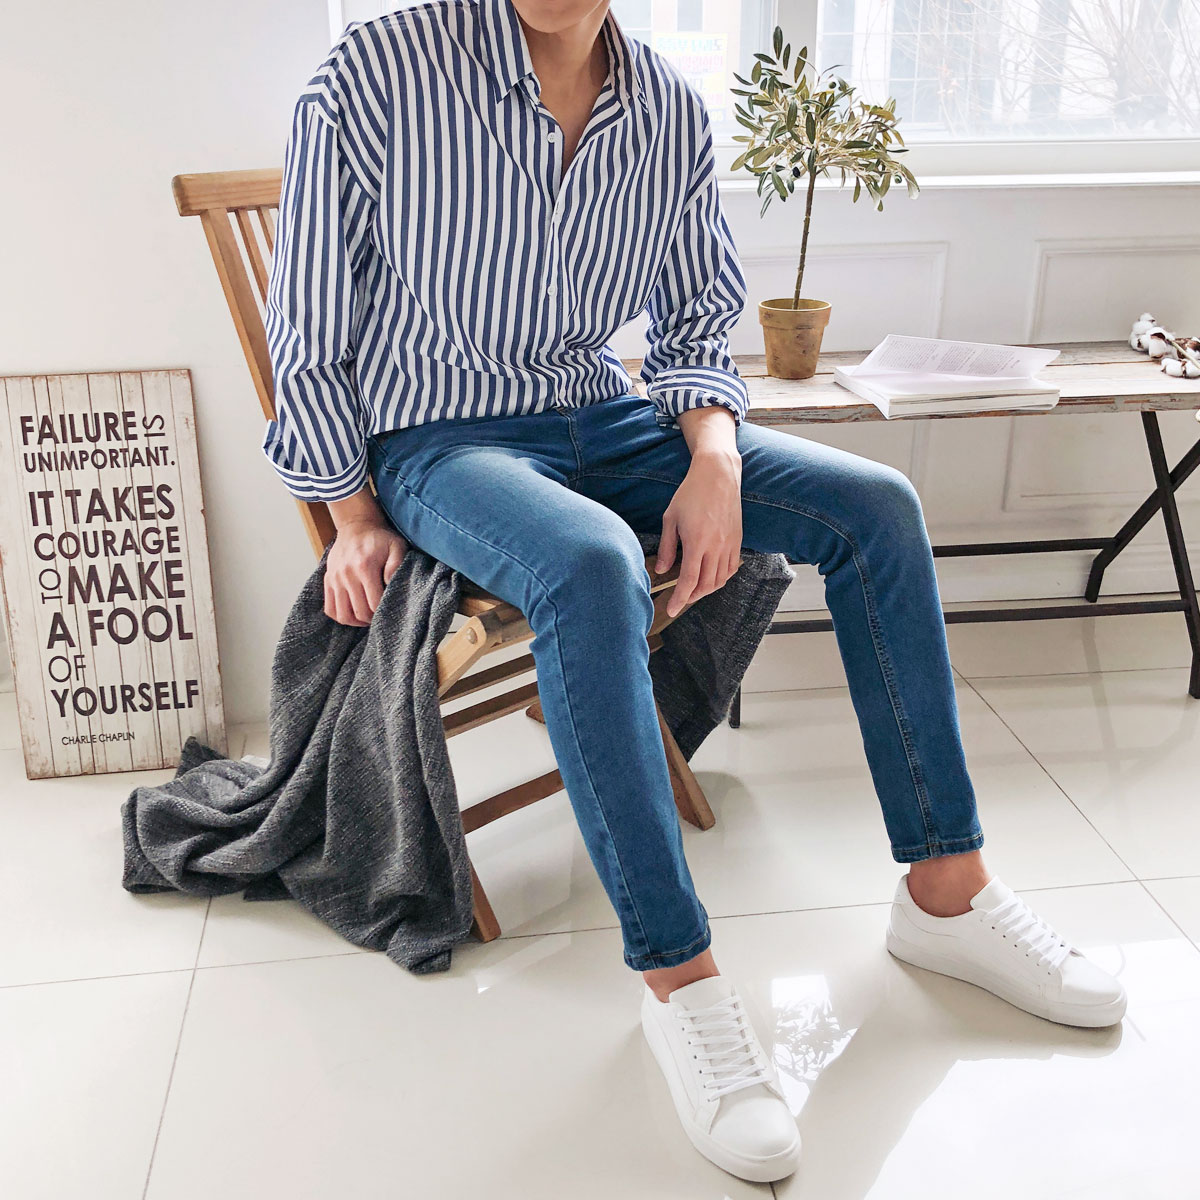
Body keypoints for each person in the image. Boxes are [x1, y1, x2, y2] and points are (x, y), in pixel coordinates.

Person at [263, 0, 1127, 1183]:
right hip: (443, 441)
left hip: (608, 417)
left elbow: (698, 314)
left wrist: (714, 456)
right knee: (590, 564)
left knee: (877, 508)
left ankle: (946, 891)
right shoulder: (373, 74)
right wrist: (351, 515)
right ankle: (680, 981)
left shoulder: (665, 109)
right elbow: (307, 326)